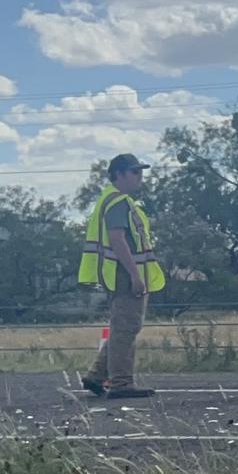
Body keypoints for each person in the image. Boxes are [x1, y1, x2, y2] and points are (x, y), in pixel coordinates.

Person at [77, 153, 166, 398]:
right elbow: (117, 239)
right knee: (126, 328)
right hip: (123, 273)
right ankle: (121, 383)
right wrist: (135, 275)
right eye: (135, 172)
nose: (140, 177)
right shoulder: (118, 202)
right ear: (119, 174)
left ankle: (97, 375)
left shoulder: (112, 200)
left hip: (119, 272)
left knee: (123, 326)